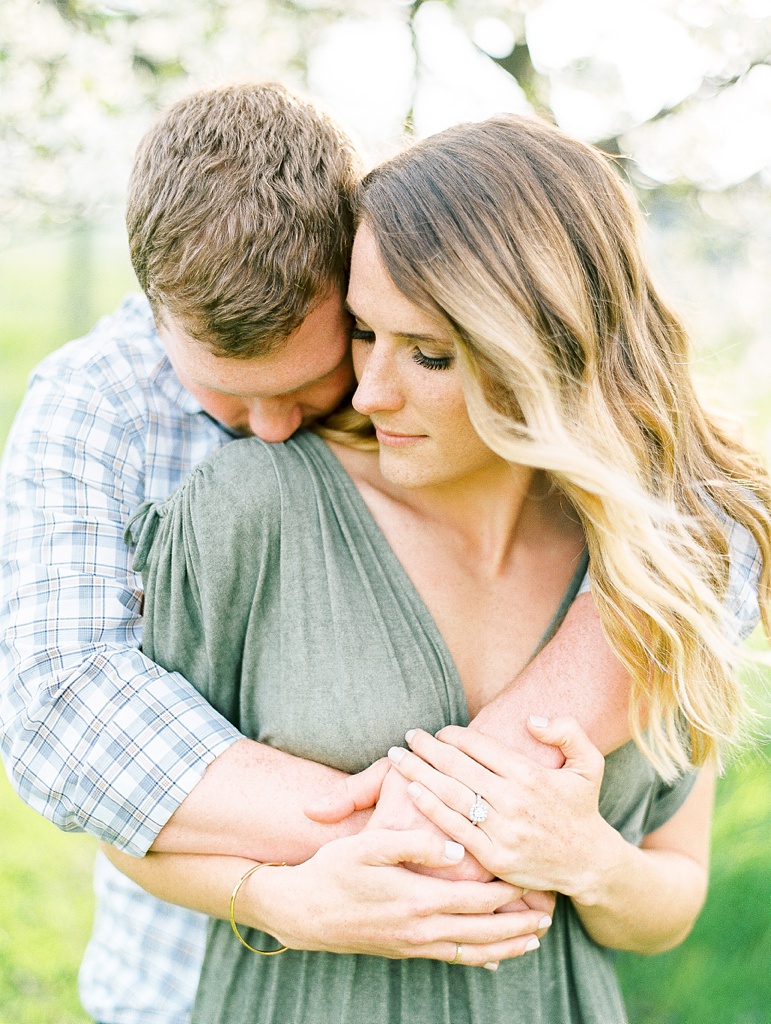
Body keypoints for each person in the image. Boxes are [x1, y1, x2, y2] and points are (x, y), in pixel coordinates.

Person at [103, 113, 770, 1023]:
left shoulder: (654, 562)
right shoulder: (253, 510)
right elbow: (130, 831)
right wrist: (277, 901)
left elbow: (670, 897)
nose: (371, 391)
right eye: (364, 334)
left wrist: (588, 858)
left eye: (428, 355)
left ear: (546, 352)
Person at [0, 83, 637, 1024]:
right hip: (184, 981)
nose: (268, 430)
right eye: (224, 395)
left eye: (308, 382)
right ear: (154, 310)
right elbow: (63, 713)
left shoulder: (413, 361)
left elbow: (705, 532)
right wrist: (427, 832)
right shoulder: (95, 405)